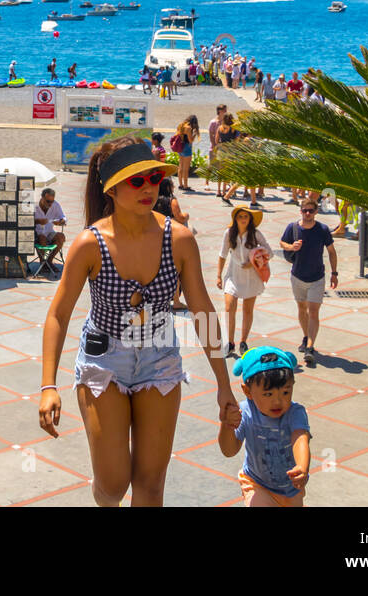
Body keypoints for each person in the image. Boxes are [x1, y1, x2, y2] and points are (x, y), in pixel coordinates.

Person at [38, 136, 237, 506]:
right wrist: (48, 384)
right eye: (136, 181)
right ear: (111, 188)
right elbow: (58, 314)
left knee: (150, 484)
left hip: (159, 360)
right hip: (104, 360)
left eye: (153, 178)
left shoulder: (178, 240)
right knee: (113, 484)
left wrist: (223, 384)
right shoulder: (90, 244)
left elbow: (203, 311)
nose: (148, 188)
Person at [218, 347, 310, 507]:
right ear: (247, 391)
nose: (278, 401)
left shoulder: (295, 413)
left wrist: (302, 466)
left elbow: (300, 439)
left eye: (286, 392)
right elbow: (229, 450)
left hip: (291, 489)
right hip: (256, 483)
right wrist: (227, 425)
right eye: (268, 394)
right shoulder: (246, 412)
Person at [280, 198, 338, 366]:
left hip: (317, 277)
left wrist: (334, 273)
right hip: (297, 276)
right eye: (305, 210)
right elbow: (282, 243)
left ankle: (310, 347)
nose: (307, 213)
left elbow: (332, 252)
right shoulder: (293, 228)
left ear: (316, 212)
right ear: (300, 211)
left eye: (310, 211)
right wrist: (291, 247)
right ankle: (306, 336)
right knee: (301, 308)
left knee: (313, 311)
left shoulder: (322, 229)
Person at [217, 206, 271, 358]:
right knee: (229, 308)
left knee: (248, 310)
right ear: (235, 219)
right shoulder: (228, 234)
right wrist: (218, 275)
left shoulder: (256, 234)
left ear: (250, 219)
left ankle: (243, 342)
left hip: (251, 277)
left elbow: (269, 252)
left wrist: (254, 260)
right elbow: (222, 255)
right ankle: (230, 342)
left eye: (245, 217)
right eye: (240, 216)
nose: (243, 219)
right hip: (233, 276)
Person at [34, 187, 66, 274]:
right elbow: (26, 221)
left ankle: (49, 261)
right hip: (37, 233)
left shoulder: (55, 205)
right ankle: (43, 263)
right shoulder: (34, 206)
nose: (50, 204)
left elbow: (63, 218)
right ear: (42, 198)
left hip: (49, 232)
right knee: (42, 238)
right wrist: (38, 221)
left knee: (61, 237)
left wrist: (60, 222)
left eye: (52, 201)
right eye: (48, 201)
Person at [173, 115, 199, 191]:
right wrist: (194, 134)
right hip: (187, 148)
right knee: (186, 169)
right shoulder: (189, 128)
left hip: (180, 147)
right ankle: (186, 186)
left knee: (180, 166)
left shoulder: (181, 125)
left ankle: (180, 184)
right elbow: (190, 140)